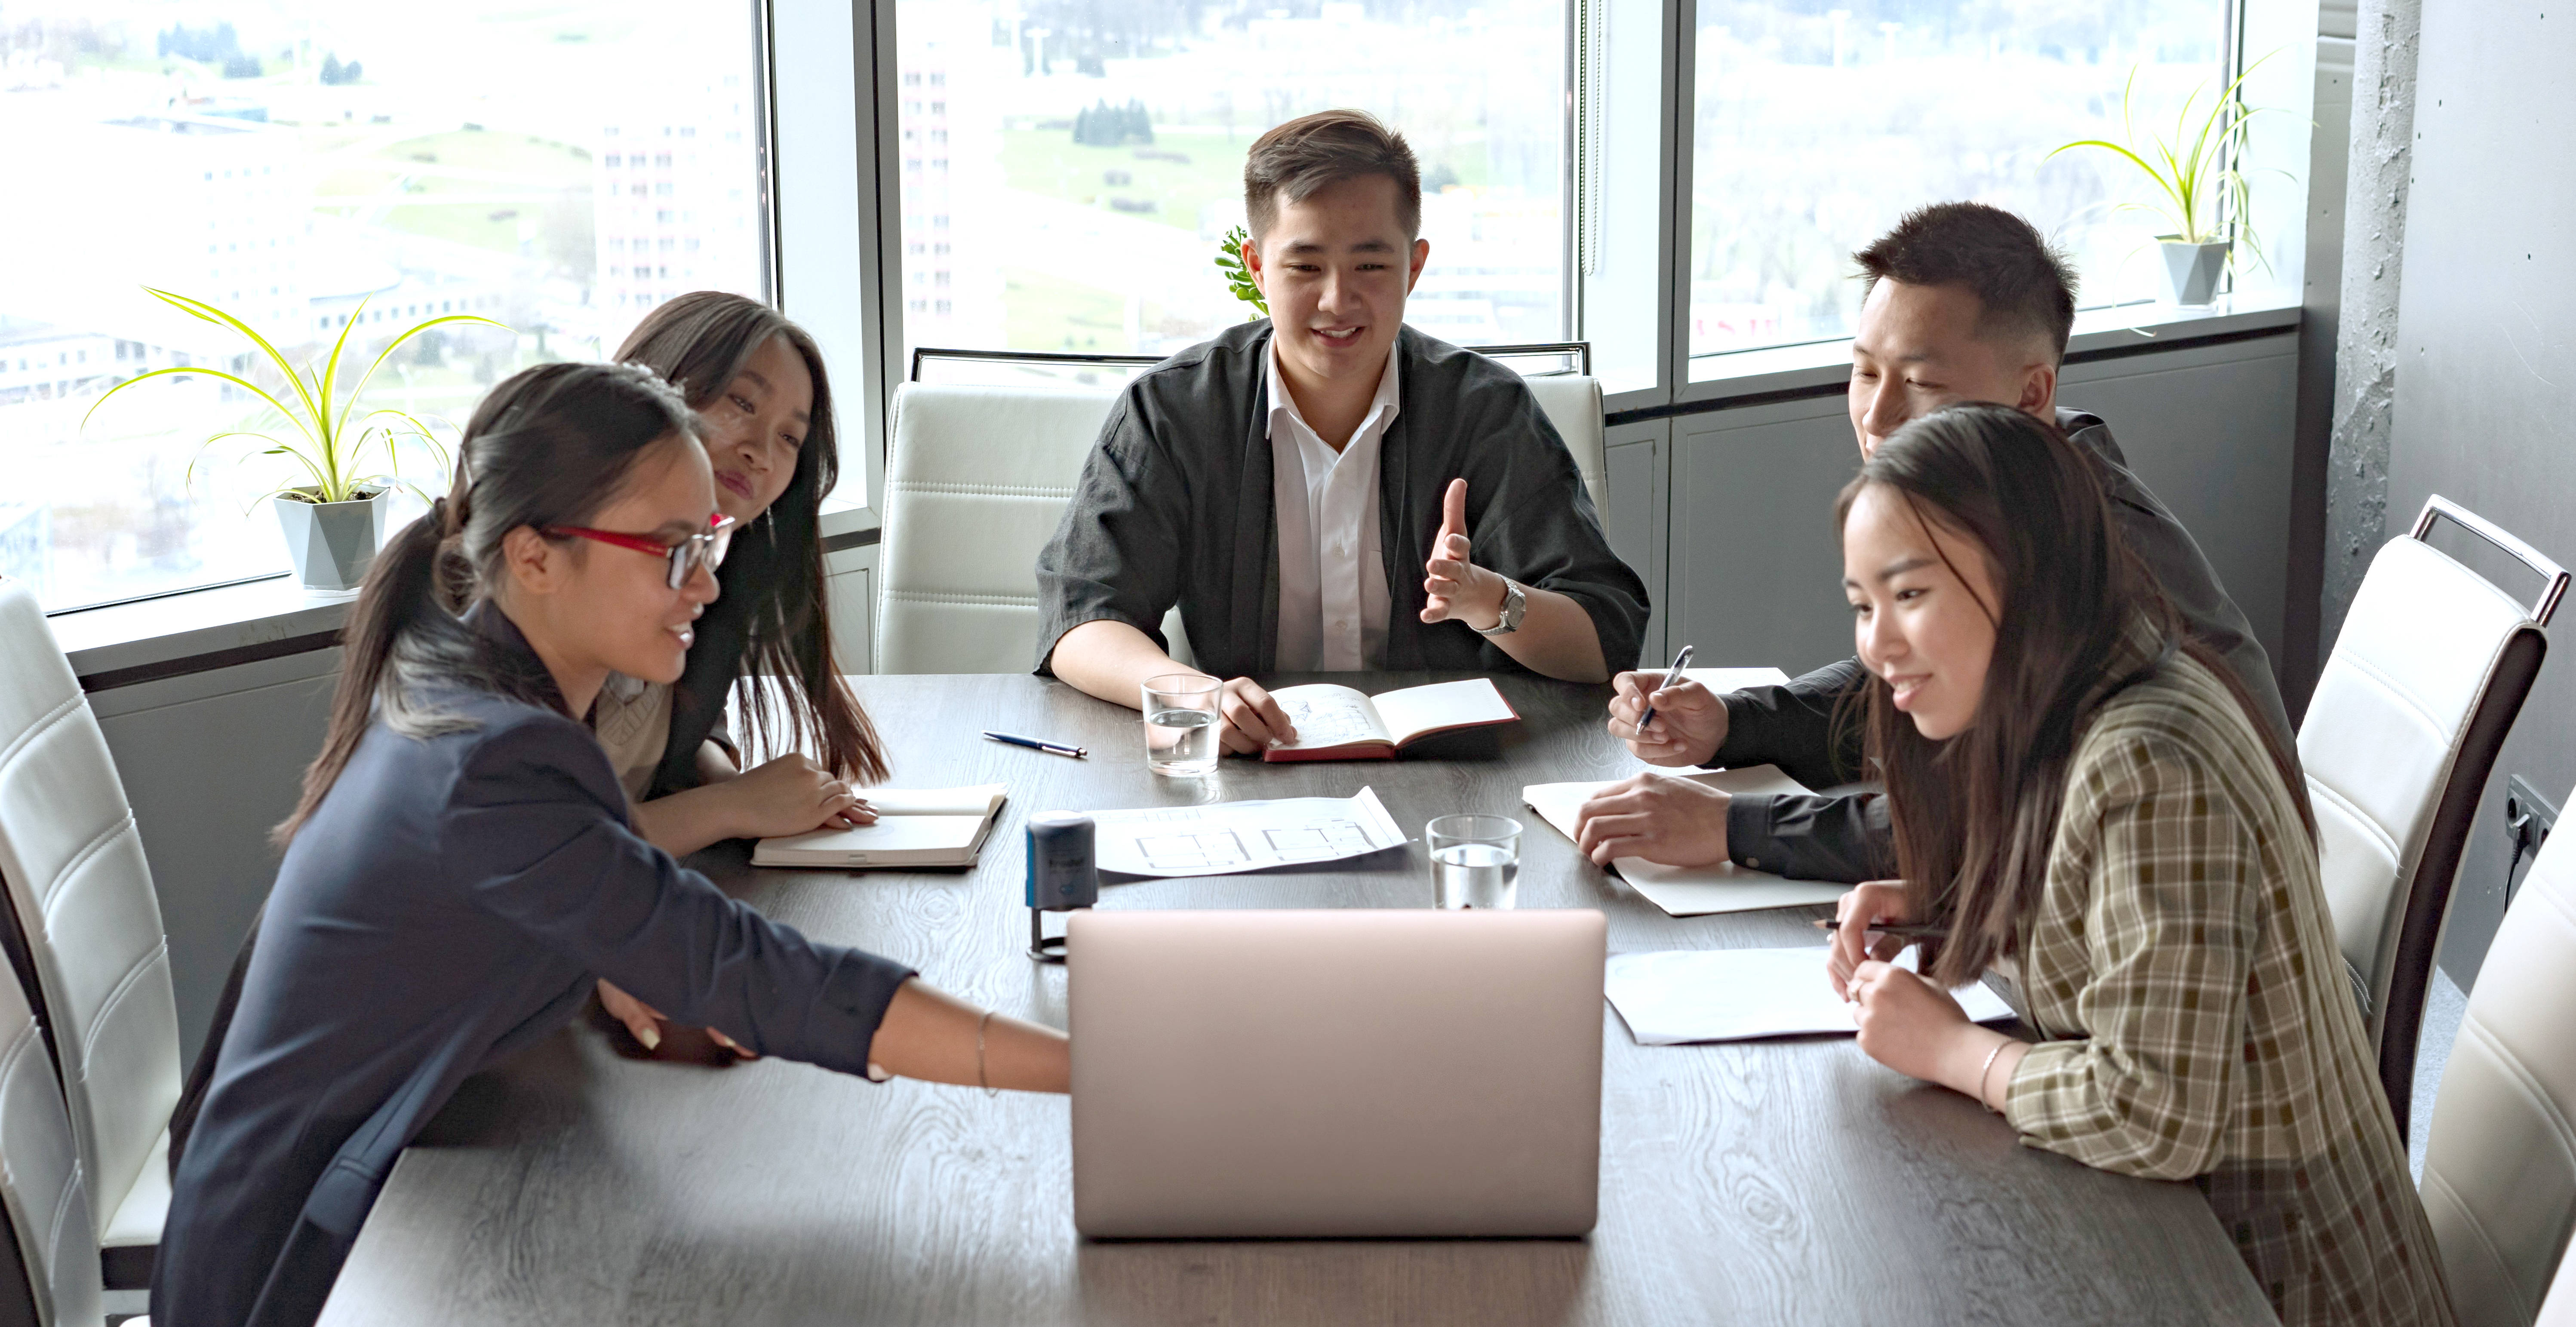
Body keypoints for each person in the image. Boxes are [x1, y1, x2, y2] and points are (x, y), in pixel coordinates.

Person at [152, 363, 1070, 1327]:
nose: (707, 583)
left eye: (706, 540)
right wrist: (1087, 1070)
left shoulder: (472, 684)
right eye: (671, 550)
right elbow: (754, 972)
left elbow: (514, 919)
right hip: (301, 1267)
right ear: (537, 557)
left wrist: (603, 943)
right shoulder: (499, 760)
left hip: (328, 1200)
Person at [1824, 403, 2449, 1327]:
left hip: (2277, 1287)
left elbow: (2152, 1110)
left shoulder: (2149, 760)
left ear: (2025, 574)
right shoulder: (2078, 697)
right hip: (2187, 1247)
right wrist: (1951, 902)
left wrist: (1955, 1051)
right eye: (1862, 605)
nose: (1876, 647)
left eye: (1910, 595)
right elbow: (2101, 918)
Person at [1575, 202, 2286, 883]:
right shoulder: (2006, 491)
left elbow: (1992, 821)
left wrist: (1735, 827)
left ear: (2032, 394)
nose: (1877, 416)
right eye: (1863, 372)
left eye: (1919, 382)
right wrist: (1733, 722)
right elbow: (1912, 688)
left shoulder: (2094, 555)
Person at [1036, 109, 1649, 753]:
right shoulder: (1174, 410)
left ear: (1413, 268)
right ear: (1256, 266)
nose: (1337, 300)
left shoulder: (1486, 412)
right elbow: (1080, 619)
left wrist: (1488, 600)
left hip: (1453, 777)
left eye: (1370, 267)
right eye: (1304, 267)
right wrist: (1196, 695)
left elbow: (1605, 639)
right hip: (1247, 762)